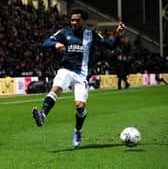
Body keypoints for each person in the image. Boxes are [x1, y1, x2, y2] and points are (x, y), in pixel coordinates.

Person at [32, 9, 126, 148]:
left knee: (80, 106)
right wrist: (55, 44)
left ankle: (77, 131)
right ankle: (43, 115)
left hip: (82, 74)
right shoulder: (64, 32)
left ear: (84, 21)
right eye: (72, 20)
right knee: (56, 88)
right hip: (66, 69)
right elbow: (45, 42)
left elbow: (111, 46)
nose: (74, 22)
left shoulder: (91, 34)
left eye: (77, 20)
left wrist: (118, 36)